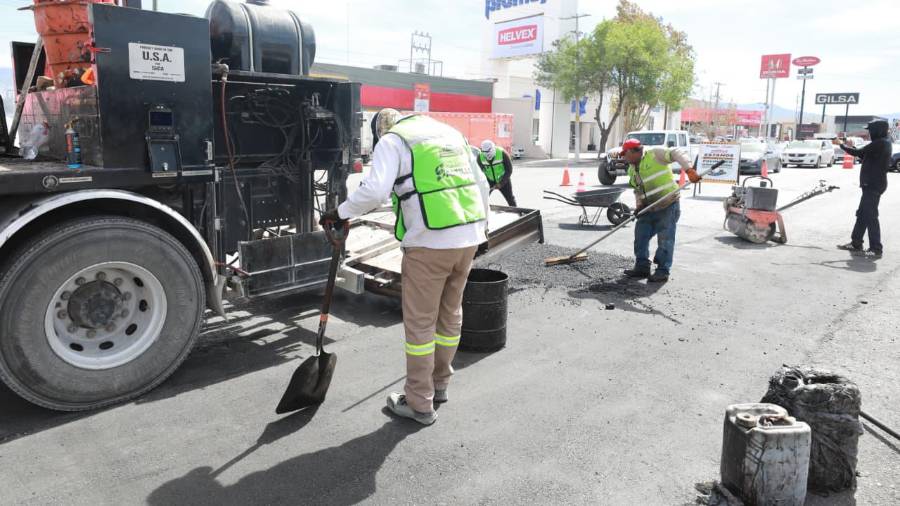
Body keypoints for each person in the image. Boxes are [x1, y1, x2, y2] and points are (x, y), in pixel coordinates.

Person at [319, 109, 489, 425]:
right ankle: (439, 386)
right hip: (469, 236)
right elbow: (480, 184)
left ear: (381, 129)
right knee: (449, 315)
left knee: (421, 326)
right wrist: (484, 230)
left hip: (430, 242)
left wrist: (339, 212)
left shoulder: (394, 140)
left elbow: (374, 191)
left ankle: (419, 403)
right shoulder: (449, 134)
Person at [620, 138, 696, 283]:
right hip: (648, 208)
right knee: (640, 236)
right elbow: (638, 190)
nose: (624, 157)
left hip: (668, 204)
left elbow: (677, 152)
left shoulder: (655, 154)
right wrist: (639, 206)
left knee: (665, 239)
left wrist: (689, 169)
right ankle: (642, 267)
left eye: (625, 154)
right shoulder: (632, 169)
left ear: (633, 151)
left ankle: (662, 271)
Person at [834, 119, 893, 258]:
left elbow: (858, 153)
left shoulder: (880, 143)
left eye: (870, 130)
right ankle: (856, 242)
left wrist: (841, 145)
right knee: (862, 214)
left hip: (873, 184)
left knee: (871, 216)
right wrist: (848, 145)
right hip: (872, 184)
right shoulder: (882, 142)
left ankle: (876, 248)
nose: (869, 133)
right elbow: (862, 153)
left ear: (877, 130)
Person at [476, 140, 517, 207]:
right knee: (482, 199)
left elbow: (509, 170)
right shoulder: (480, 157)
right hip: (489, 180)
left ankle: (518, 214)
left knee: (510, 199)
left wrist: (501, 183)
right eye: (485, 153)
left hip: (503, 179)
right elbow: (479, 172)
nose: (487, 156)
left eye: (488, 152)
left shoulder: (502, 153)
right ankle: (483, 215)